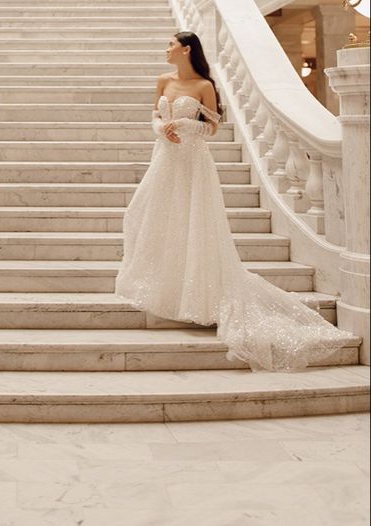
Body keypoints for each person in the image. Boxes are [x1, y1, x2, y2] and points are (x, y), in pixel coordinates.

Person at [115, 31, 352, 371]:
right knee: (146, 214)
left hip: (192, 160)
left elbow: (213, 126)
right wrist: (161, 128)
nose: (166, 50)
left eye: (170, 45)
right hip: (165, 157)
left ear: (186, 50)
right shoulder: (163, 79)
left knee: (193, 220)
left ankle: (197, 294)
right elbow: (154, 114)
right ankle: (166, 286)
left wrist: (185, 125)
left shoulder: (204, 86)